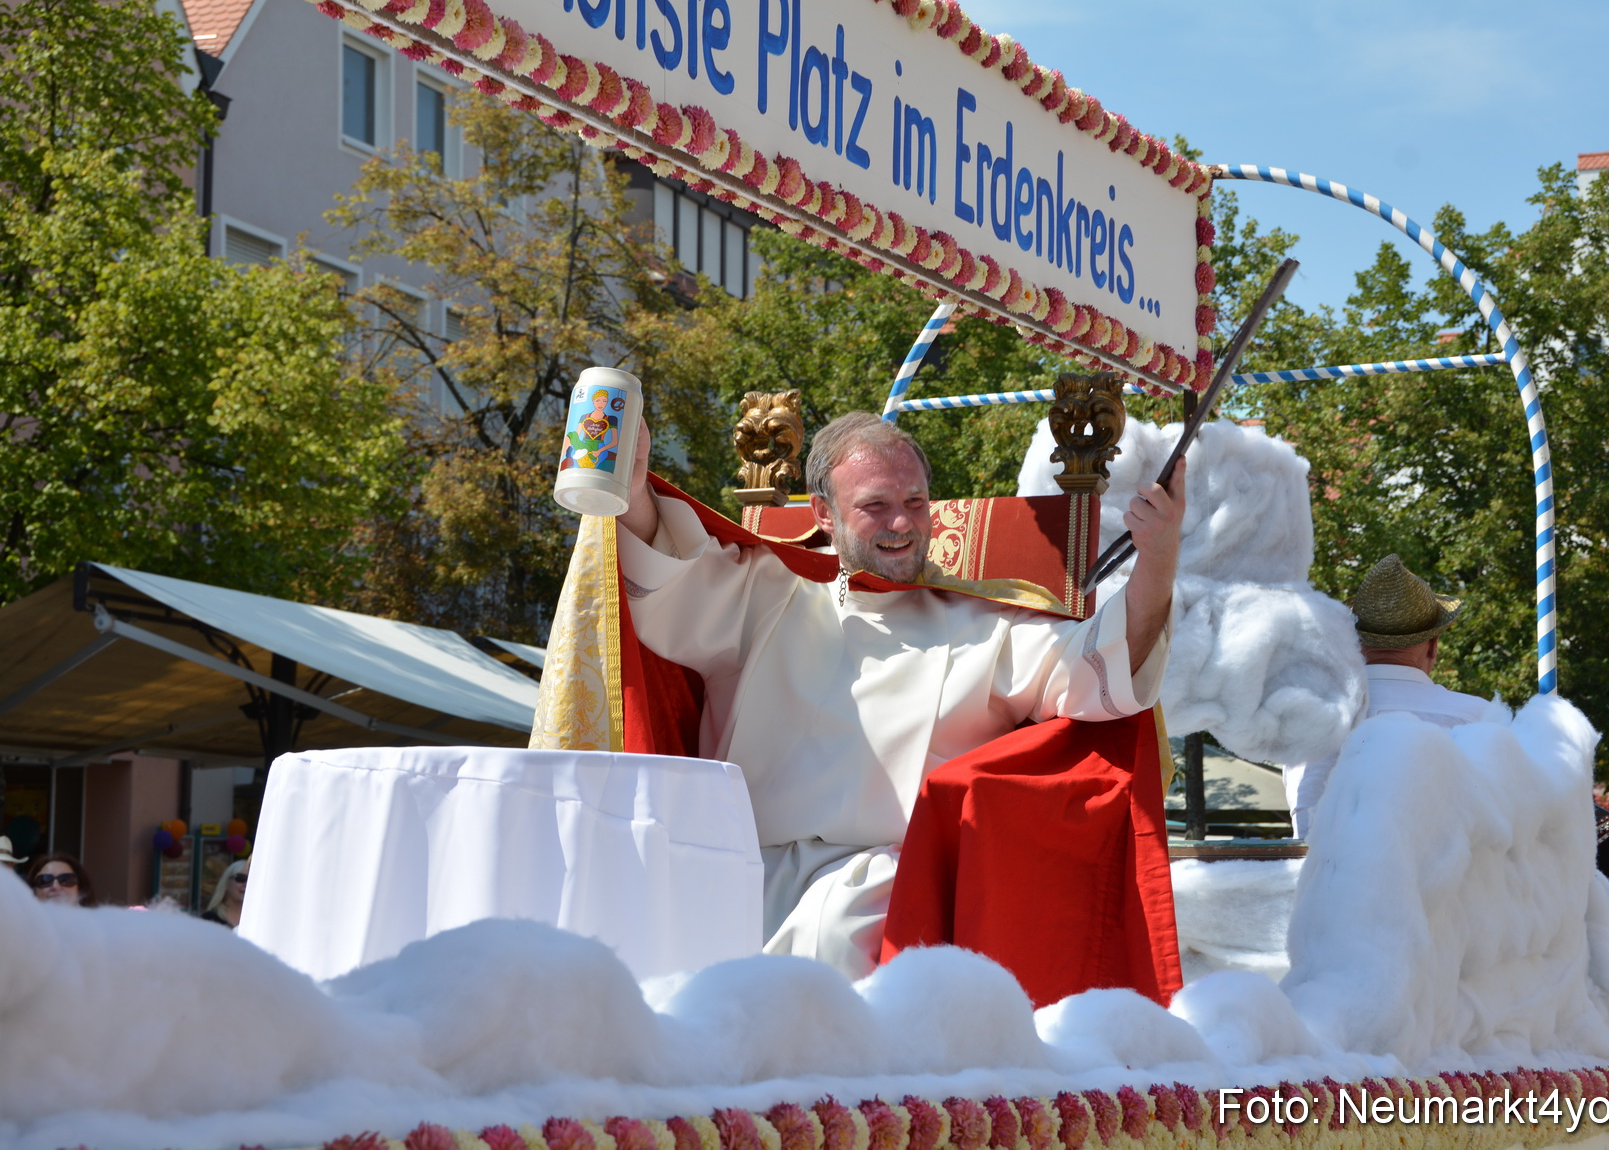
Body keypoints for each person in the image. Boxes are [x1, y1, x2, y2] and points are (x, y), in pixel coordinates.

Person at [615, 411, 1183, 980]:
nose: (902, 523)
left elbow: (1102, 672)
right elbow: (667, 574)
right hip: (735, 866)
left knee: (836, 938)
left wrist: (1157, 561)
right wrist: (634, 485)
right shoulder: (764, 588)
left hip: (884, 887)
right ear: (824, 515)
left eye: (915, 502)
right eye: (875, 505)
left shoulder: (989, 623)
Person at [1283, 553, 1490, 839]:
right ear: (1433, 646)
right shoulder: (1480, 718)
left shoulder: (1310, 718)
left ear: (1356, 641)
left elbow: (1307, 825)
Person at [22, 852, 95, 907]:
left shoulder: (98, 925)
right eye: (45, 880)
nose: (55, 886)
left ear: (80, 889)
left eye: (66, 879)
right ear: (34, 891)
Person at [202, 859, 248, 928]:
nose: (246, 884)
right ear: (226, 883)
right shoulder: (209, 919)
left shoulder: (259, 918)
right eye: (240, 878)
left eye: (251, 879)